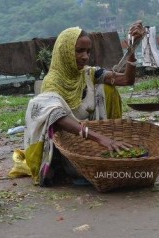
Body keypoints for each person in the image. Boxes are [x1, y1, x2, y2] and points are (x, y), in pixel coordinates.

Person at [12, 21, 146, 186]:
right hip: (67, 147)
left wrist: (132, 49)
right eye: (79, 51)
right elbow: (57, 117)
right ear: (65, 51)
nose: (85, 56)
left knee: (107, 88)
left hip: (92, 140)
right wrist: (100, 139)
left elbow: (126, 80)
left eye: (88, 51)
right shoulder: (52, 82)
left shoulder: (89, 73)